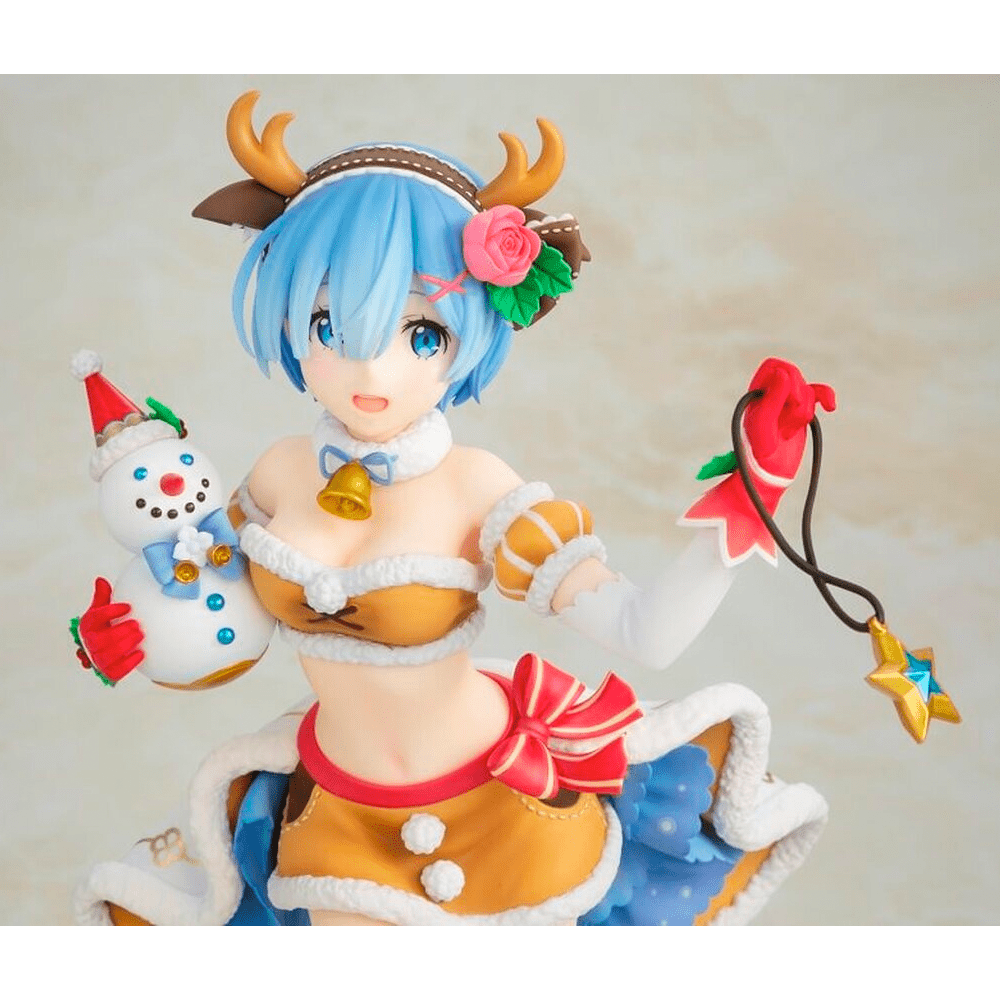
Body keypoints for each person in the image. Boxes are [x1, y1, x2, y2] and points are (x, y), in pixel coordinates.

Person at [73, 91, 831, 926]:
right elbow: (219, 623)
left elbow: (645, 633)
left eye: (422, 334)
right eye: (329, 323)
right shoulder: (279, 473)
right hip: (338, 808)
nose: (373, 370)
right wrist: (139, 636)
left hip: (501, 798)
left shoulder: (477, 486)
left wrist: (750, 498)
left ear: (473, 332)